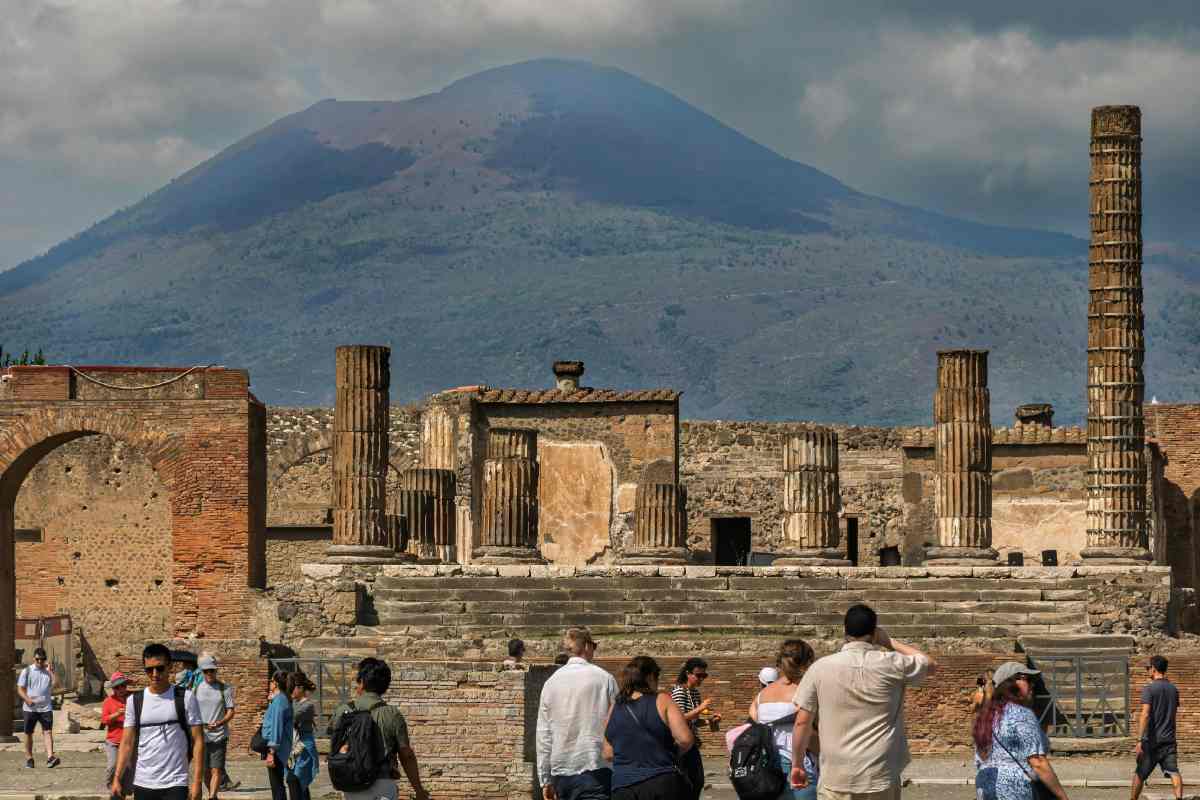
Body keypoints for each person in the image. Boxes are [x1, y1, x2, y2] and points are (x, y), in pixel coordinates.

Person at [790, 604, 935, 800]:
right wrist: (889, 641)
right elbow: (930, 664)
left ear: (845, 631)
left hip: (836, 775)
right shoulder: (892, 663)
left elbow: (802, 722)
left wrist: (797, 764)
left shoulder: (820, 668)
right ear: (874, 633)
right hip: (880, 772)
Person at [328, 656, 432, 800]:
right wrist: (418, 790)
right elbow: (406, 756)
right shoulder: (392, 714)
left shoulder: (342, 711)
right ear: (385, 686)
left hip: (352, 784)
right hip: (382, 785)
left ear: (362, 682)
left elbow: (334, 745)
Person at [112, 642, 205, 800]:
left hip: (176, 782)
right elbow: (126, 743)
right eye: (149, 669)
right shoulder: (135, 701)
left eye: (160, 668)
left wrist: (197, 782)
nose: (154, 674)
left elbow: (198, 741)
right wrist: (117, 778)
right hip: (143, 782)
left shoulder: (186, 697)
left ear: (170, 667)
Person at [536, 627, 619, 800]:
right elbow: (618, 725)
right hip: (596, 767)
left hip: (561, 771)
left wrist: (545, 780)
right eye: (594, 646)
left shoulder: (551, 683)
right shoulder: (605, 679)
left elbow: (544, 735)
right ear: (587, 646)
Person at [603, 655, 694, 800]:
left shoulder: (614, 707)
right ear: (650, 676)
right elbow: (685, 739)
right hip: (660, 781)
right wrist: (672, 753)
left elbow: (608, 754)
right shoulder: (662, 700)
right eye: (657, 676)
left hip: (623, 786)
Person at [974, 662, 1069, 800]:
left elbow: (979, 759)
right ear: (1010, 683)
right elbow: (1038, 763)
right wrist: (1063, 797)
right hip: (1015, 789)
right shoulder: (1021, 714)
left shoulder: (986, 715)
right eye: (1027, 679)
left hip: (985, 787)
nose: (1032, 685)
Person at [750, 640, 819, 800]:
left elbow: (754, 720)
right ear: (809, 662)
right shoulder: (805, 691)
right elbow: (804, 732)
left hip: (766, 766)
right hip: (799, 765)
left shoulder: (762, 695)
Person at [1133, 656, 1183, 800]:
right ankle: (1179, 798)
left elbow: (1145, 714)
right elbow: (1173, 715)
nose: (1147, 670)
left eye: (1148, 668)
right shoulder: (1173, 689)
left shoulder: (1149, 689)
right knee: (1174, 772)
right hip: (1169, 740)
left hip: (1151, 742)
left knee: (1139, 774)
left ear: (1154, 669)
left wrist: (1139, 740)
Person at [671, 657, 718, 799]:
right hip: (679, 744)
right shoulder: (679, 691)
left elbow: (694, 721)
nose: (701, 679)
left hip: (692, 743)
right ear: (687, 673)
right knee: (685, 782)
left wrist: (710, 720)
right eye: (698, 675)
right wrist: (701, 708)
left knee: (697, 781)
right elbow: (679, 719)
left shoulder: (695, 693)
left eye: (704, 676)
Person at [194, 654, 237, 800]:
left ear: (216, 671)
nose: (209, 674)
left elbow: (231, 710)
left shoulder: (224, 688)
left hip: (219, 735)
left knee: (216, 768)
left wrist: (220, 723)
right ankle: (213, 794)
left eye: (212, 670)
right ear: (202, 672)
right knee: (205, 770)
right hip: (201, 735)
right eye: (206, 671)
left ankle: (212, 796)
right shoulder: (196, 688)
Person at [17, 646, 60, 769]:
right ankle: (29, 758)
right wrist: (27, 699)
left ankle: (50, 757)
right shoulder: (27, 671)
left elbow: (56, 685)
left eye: (42, 659)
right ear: (34, 659)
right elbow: (20, 689)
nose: (40, 662)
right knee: (28, 733)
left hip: (45, 708)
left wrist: (51, 671)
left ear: (45, 659)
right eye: (37, 659)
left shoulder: (47, 672)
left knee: (47, 732)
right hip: (30, 709)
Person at [261, 670, 294, 800]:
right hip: (281, 748)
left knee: (277, 786)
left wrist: (271, 752)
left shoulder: (280, 701)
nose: (270, 683)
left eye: (271, 681)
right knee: (278, 785)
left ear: (275, 683)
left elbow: (276, 726)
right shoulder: (281, 699)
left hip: (278, 750)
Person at [288, 671, 320, 800]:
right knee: (295, 782)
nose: (291, 691)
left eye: (292, 688)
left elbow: (291, 716)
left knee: (299, 779)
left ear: (300, 688)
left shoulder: (307, 705)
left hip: (304, 746)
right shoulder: (294, 702)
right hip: (294, 746)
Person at [101, 671, 133, 792]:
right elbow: (104, 720)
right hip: (113, 740)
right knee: (113, 765)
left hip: (128, 740)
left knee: (128, 767)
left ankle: (126, 789)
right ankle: (110, 786)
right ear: (113, 689)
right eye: (117, 687)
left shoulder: (131, 699)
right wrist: (117, 714)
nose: (121, 689)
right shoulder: (108, 701)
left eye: (123, 686)